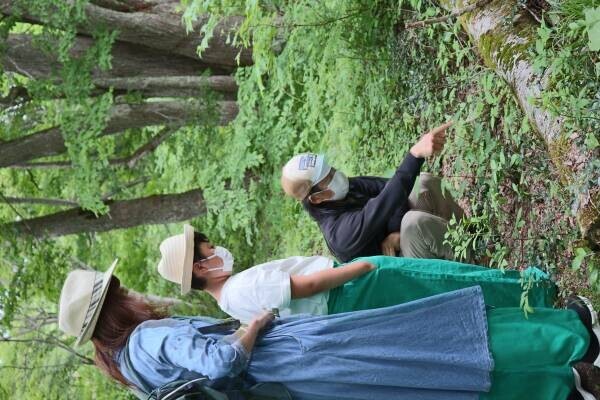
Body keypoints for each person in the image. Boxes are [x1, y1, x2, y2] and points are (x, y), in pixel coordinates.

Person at [59, 260, 600, 399]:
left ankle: (559, 386)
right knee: (437, 338)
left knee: (430, 381)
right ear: (114, 309)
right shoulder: (150, 339)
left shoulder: (134, 372)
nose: (132, 295)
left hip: (304, 384)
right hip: (306, 356)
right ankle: (572, 340)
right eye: (121, 294)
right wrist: (255, 326)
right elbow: (223, 361)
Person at [157, 225, 557, 324]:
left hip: (346, 303)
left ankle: (526, 303)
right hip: (351, 287)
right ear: (199, 267)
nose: (216, 249)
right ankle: (532, 289)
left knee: (438, 296)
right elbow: (304, 285)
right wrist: (363, 267)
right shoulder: (241, 287)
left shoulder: (230, 306)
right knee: (439, 278)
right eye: (208, 248)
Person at [280, 121, 467, 263]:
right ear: (317, 198)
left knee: (425, 184)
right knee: (413, 224)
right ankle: (474, 262)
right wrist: (415, 154)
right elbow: (388, 199)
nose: (335, 174)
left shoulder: (345, 189)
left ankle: (470, 234)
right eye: (327, 177)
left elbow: (392, 190)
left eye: (331, 168)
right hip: (402, 270)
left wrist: (394, 232)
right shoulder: (341, 234)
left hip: (401, 242)